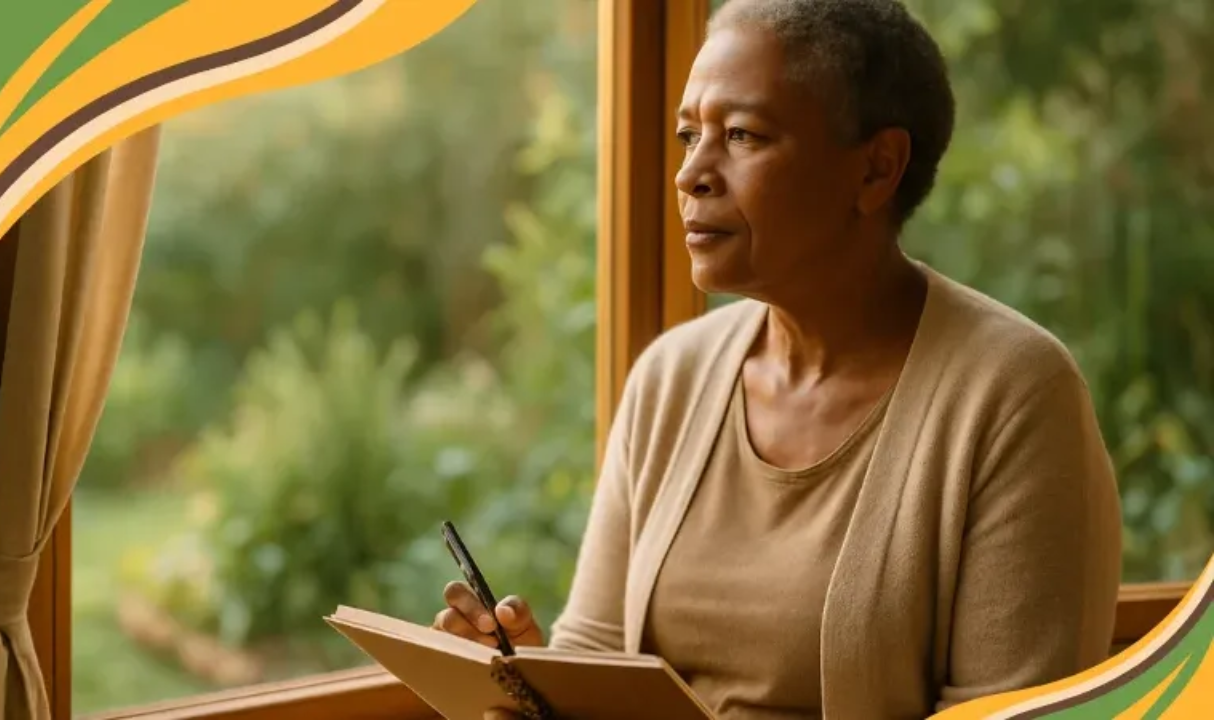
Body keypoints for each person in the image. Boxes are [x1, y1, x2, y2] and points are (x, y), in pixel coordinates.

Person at [433, 0, 1123, 717]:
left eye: (741, 135)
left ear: (877, 169)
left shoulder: (1015, 396)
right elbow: (597, 654)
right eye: (687, 134)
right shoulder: (671, 379)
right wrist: (534, 688)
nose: (690, 174)